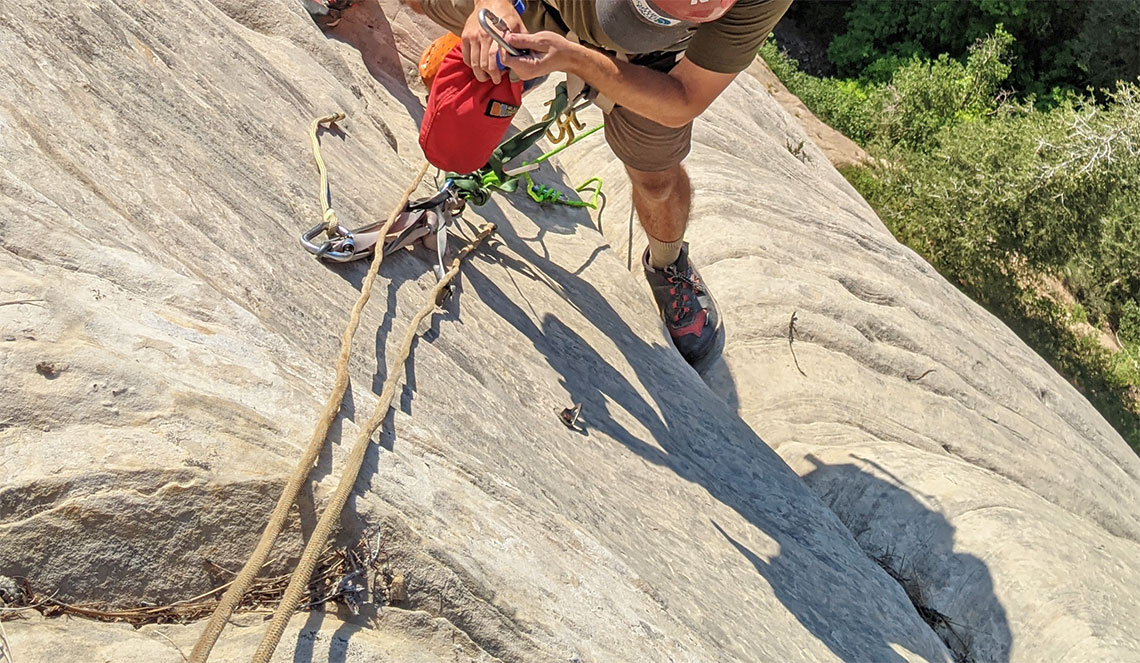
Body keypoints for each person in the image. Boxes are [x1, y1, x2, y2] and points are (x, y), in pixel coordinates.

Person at [406, 0, 793, 366]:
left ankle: (667, 263)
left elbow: (685, 99)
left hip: (650, 64)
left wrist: (577, 60)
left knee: (657, 183)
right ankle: (498, 50)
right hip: (548, 6)